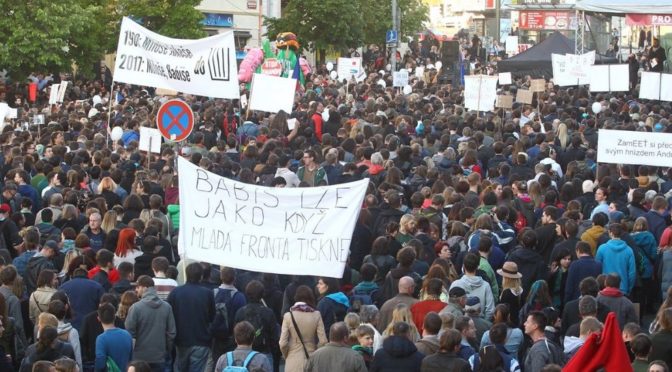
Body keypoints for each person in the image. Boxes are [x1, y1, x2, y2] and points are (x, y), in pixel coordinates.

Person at [167, 262, 214, 372]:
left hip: (181, 340)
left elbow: (170, 316)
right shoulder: (207, 293)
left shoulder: (175, 293)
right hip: (201, 339)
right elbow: (212, 316)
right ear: (201, 276)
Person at [125, 275, 176, 372]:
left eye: (138, 287)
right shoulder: (167, 307)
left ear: (144, 288)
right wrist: (166, 350)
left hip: (139, 358)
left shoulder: (136, 308)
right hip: (159, 356)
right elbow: (171, 333)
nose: (136, 290)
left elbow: (129, 333)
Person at [279, 284, 327, 372]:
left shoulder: (288, 316)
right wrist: (315, 351)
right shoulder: (316, 315)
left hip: (292, 361)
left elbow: (282, 343)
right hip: (312, 360)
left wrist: (287, 355)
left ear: (296, 297)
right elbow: (323, 341)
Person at [234, 280, 279, 367]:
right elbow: (274, 337)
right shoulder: (268, 312)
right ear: (262, 294)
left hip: (243, 354)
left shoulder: (240, 312)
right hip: (264, 353)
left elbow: (235, 334)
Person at [595, 223, 636, 296]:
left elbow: (597, 268)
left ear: (610, 233)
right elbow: (632, 273)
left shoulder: (602, 248)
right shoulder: (629, 250)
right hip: (623, 288)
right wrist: (629, 288)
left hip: (605, 288)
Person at [451, 253, 495, 320]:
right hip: (480, 325)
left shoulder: (455, 284)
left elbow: (450, 306)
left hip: (461, 325)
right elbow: (490, 310)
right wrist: (484, 323)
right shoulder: (486, 285)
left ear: (463, 266)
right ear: (478, 267)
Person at [94, 303, 132, 372]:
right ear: (115, 317)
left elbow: (100, 364)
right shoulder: (127, 334)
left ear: (99, 318)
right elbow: (131, 359)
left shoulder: (101, 339)